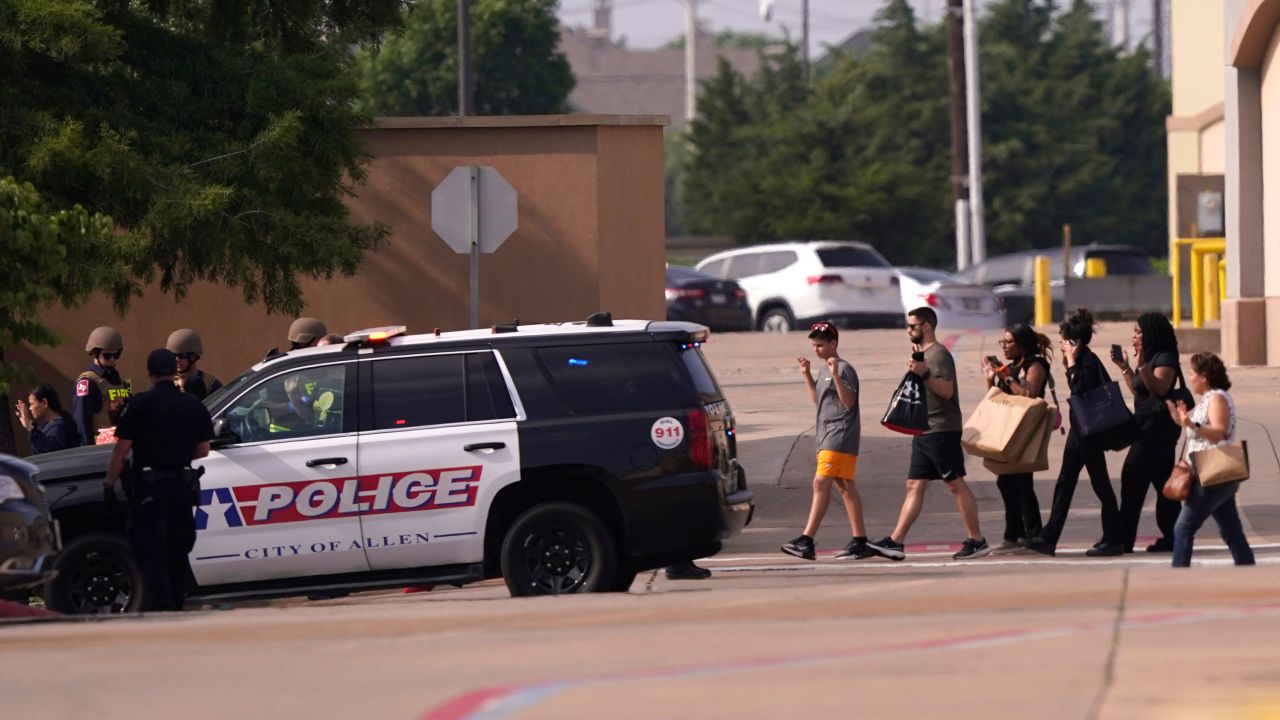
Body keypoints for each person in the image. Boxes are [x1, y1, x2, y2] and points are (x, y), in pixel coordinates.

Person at [866, 307, 990, 561]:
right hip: (924, 430)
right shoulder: (923, 354)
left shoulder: (939, 354)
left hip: (941, 429)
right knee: (914, 484)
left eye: (913, 326)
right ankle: (896, 541)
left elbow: (945, 390)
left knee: (955, 483)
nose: (908, 330)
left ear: (927, 326)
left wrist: (923, 373)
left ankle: (977, 540)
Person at [104, 349, 214, 612]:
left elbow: (122, 450)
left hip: (149, 491)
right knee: (178, 553)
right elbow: (203, 451)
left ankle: (160, 613)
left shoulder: (140, 404)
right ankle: (176, 607)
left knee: (152, 556)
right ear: (174, 371)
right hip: (181, 488)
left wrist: (109, 484)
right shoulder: (193, 404)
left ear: (150, 373)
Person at [1022, 309, 1124, 556]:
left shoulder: (1086, 362)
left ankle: (1114, 538)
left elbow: (1079, 391)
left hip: (1089, 433)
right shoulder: (1084, 360)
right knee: (1065, 484)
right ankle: (1049, 537)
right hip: (1080, 432)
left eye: (1063, 339)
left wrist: (1072, 363)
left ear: (1074, 342)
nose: (1059, 343)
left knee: (1099, 484)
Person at [781, 321, 871, 561]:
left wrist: (836, 376)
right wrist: (807, 375)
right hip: (826, 435)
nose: (816, 349)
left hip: (839, 434)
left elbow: (848, 402)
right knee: (844, 486)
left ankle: (806, 540)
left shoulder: (843, 368)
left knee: (820, 483)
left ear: (834, 343)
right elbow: (819, 400)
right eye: (814, 345)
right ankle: (860, 540)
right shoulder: (824, 369)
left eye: (820, 345)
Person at [1166, 352, 1255, 568]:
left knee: (1183, 528)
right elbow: (1199, 433)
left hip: (1213, 473)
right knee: (1231, 531)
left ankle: (1178, 575)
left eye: (1192, 373)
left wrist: (1191, 424)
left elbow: (1220, 433)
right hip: (1213, 474)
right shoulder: (1208, 398)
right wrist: (1181, 420)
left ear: (1204, 376)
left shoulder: (1217, 398)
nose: (1190, 377)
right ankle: (1247, 570)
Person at [1112, 312, 1183, 553]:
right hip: (1146, 425)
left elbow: (1159, 390)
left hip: (1157, 431)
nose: (1134, 336)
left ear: (1151, 333)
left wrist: (1142, 364)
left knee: (1132, 477)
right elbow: (1139, 391)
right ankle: (1175, 536)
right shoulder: (1151, 357)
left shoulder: (1165, 358)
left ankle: (1124, 539)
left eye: (1138, 332)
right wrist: (1125, 367)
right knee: (1164, 487)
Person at [982, 324, 1049, 552]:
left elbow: (1029, 394)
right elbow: (996, 399)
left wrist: (1007, 378)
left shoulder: (1035, 364)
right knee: (1006, 481)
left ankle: (1033, 534)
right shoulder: (1009, 368)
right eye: (1003, 342)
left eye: (1009, 342)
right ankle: (1014, 534)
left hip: (1025, 431)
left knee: (1022, 482)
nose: (1005, 347)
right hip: (1008, 431)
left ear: (1022, 344)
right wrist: (991, 380)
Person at [72, 326, 133, 445]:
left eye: (116, 355)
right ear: (94, 353)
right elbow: (81, 423)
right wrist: (87, 453)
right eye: (107, 355)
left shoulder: (122, 382)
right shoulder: (87, 383)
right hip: (99, 452)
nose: (112, 359)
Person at [14, 384, 81, 454]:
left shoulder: (59, 428)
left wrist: (30, 427)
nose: (30, 408)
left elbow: (51, 452)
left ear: (44, 402)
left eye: (32, 404)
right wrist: (30, 425)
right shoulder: (46, 426)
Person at [166, 329, 223, 401]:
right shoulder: (165, 383)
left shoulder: (209, 384)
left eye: (182, 355)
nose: (177, 360)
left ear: (194, 356)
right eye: (173, 355)